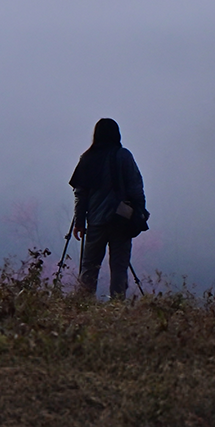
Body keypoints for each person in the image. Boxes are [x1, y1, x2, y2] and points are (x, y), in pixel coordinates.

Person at [70, 117, 146, 300]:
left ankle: (84, 303)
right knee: (119, 267)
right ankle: (117, 306)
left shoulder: (87, 158)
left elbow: (81, 194)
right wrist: (139, 214)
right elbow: (136, 188)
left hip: (96, 221)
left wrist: (79, 222)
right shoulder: (124, 156)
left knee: (89, 267)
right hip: (121, 220)